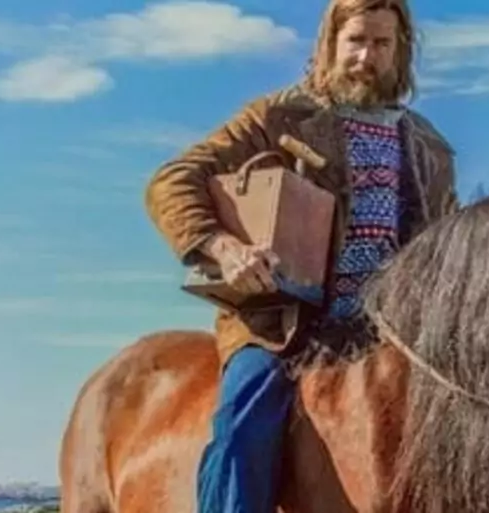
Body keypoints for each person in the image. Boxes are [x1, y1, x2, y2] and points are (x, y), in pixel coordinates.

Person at [141, 0, 459, 511]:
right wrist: (223, 247)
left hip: (394, 334)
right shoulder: (279, 116)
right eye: (356, 41)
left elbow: (448, 245)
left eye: (381, 43)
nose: (366, 57)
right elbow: (172, 181)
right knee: (245, 417)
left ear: (400, 51)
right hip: (284, 325)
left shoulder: (429, 147)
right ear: (331, 44)